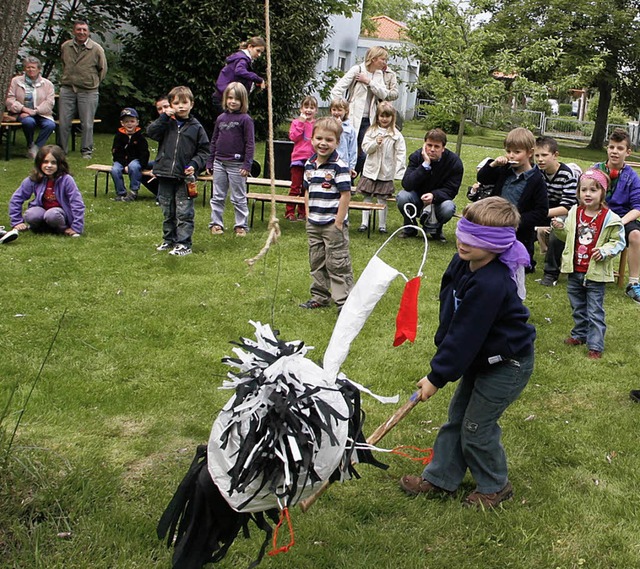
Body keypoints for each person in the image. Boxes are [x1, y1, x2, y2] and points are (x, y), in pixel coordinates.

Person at [399, 196, 535, 509]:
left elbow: (468, 333)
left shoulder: (492, 283)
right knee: (456, 418)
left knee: (476, 426)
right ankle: (441, 477)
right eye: (463, 232)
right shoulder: (463, 261)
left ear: (497, 244)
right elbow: (452, 304)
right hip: (481, 356)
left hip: (507, 362)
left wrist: (438, 375)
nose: (463, 242)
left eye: (475, 238)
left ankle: (495, 485)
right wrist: (443, 342)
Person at [554, 169, 625, 359]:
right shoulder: (574, 212)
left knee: (594, 310)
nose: (587, 194)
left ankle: (595, 345)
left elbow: (619, 242)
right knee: (577, 306)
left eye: (593, 190)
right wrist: (559, 229)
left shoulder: (610, 218)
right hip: (574, 270)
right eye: (583, 189)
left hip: (595, 273)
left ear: (603, 192)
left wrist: (604, 251)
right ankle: (579, 334)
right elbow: (567, 237)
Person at [146, 86, 209, 256]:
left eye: (184, 102)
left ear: (192, 104)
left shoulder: (196, 127)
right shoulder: (166, 124)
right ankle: (169, 240)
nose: (180, 106)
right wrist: (164, 117)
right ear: (170, 105)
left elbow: (204, 151)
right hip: (165, 174)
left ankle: (184, 244)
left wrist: (195, 165)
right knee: (167, 210)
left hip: (184, 177)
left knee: (184, 211)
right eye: (176, 103)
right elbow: (151, 132)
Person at [299, 117, 353, 312]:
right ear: (312, 139)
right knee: (316, 260)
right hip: (314, 222)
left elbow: (345, 194)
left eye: (329, 140)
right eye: (319, 138)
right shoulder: (309, 164)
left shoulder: (339, 166)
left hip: (332, 223)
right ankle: (320, 296)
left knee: (337, 262)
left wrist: (338, 222)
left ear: (337, 142)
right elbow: (307, 191)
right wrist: (308, 215)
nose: (323, 143)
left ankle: (344, 301)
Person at [477, 127, 548, 271]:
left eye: (517, 152)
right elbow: (483, 178)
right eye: (508, 151)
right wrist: (493, 164)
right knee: (489, 260)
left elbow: (541, 211)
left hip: (518, 231)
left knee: (513, 264)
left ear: (530, 153)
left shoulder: (536, 179)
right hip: (494, 223)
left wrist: (516, 220)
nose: (511, 156)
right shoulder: (504, 170)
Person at [330, 46, 398, 173]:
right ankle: (345, 177)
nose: (385, 63)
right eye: (383, 59)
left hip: (370, 118)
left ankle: (359, 177)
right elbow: (337, 90)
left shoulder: (378, 74)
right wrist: (341, 109)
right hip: (352, 117)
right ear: (373, 59)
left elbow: (383, 94)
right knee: (348, 149)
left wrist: (368, 81)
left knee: (364, 151)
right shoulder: (357, 69)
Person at [592, 128, 640, 304]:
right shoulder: (595, 170)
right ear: (607, 148)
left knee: (636, 235)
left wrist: (619, 222)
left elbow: (637, 208)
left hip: (622, 218)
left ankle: (633, 284)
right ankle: (579, 272)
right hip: (596, 215)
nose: (614, 151)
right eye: (611, 147)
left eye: (619, 148)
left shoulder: (632, 177)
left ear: (628, 152)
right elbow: (584, 198)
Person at [396, 128, 463, 241]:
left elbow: (452, 190)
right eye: (429, 145)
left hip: (438, 202)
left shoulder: (454, 162)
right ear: (424, 145)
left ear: (443, 148)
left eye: (436, 146)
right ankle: (409, 228)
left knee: (449, 207)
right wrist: (425, 165)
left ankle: (435, 230)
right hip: (417, 198)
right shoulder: (416, 157)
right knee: (402, 196)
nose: (432, 150)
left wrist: (434, 196)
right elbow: (407, 184)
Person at [206, 82, 254, 237]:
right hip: (219, 162)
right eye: (230, 98)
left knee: (238, 197)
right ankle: (216, 223)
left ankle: (241, 225)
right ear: (225, 99)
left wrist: (247, 164)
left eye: (237, 99)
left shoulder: (245, 119)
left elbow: (250, 143)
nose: (233, 101)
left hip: (237, 164)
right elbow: (214, 140)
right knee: (218, 195)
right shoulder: (221, 118)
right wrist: (210, 160)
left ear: (243, 101)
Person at [9, 145, 85, 236]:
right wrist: (17, 221)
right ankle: (41, 228)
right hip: (42, 211)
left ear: (60, 164)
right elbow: (16, 198)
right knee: (31, 214)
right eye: (45, 162)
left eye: (53, 163)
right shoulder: (34, 178)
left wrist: (76, 227)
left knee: (52, 215)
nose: (49, 165)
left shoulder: (66, 180)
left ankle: (62, 229)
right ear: (39, 163)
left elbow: (77, 203)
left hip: (58, 214)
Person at [58, 20, 107, 159]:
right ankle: (61, 151)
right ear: (74, 31)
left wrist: (91, 82)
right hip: (67, 88)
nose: (81, 32)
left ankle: (86, 151)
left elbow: (102, 69)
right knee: (63, 122)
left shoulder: (96, 49)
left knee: (87, 123)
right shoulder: (66, 46)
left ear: (88, 32)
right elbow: (63, 64)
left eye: (84, 30)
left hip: (88, 90)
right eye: (79, 29)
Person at [534, 136, 579, 286]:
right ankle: (525, 262)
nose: (540, 159)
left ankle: (551, 273)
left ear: (555, 155)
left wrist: (541, 213)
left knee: (557, 232)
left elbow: (567, 206)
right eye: (537, 155)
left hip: (566, 212)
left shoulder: (567, 174)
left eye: (544, 155)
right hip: (544, 209)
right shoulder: (537, 172)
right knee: (521, 221)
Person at [355, 102, 406, 234]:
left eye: (387, 116)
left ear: (392, 117)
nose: (384, 119)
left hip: (385, 171)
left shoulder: (396, 135)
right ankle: (364, 223)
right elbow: (365, 148)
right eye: (382, 116)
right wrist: (375, 143)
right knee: (367, 197)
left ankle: (382, 225)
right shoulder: (371, 131)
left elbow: (401, 153)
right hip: (370, 171)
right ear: (377, 117)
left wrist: (399, 172)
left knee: (382, 198)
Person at [5, 56, 56, 158]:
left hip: (41, 113)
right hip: (21, 113)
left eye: (33, 67)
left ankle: (36, 148)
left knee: (50, 125)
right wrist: (23, 109)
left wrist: (35, 111)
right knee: (29, 122)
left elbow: (49, 102)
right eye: (28, 67)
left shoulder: (47, 84)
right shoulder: (16, 81)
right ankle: (30, 143)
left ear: (38, 69)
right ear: (24, 69)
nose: (30, 70)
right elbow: (10, 99)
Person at [212, 37, 266, 120]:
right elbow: (240, 71)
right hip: (224, 97)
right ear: (250, 47)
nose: (259, 55)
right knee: (230, 125)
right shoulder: (242, 59)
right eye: (258, 51)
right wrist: (258, 79)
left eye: (261, 52)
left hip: (226, 96)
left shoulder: (241, 58)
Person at [286, 96, 318, 222]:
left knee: (307, 187)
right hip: (298, 159)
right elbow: (293, 137)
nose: (308, 110)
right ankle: (289, 211)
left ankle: (302, 211)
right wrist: (300, 122)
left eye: (312, 107)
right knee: (295, 186)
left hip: (312, 160)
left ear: (316, 110)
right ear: (301, 108)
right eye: (306, 107)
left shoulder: (316, 125)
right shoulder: (296, 122)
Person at [111, 107, 150, 202]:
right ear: (122, 123)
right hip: (121, 161)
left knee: (134, 166)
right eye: (126, 121)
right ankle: (121, 193)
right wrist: (124, 164)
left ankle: (133, 191)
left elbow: (144, 153)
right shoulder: (118, 137)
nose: (129, 124)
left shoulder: (140, 137)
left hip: (136, 160)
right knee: (115, 170)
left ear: (137, 122)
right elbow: (116, 152)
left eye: (132, 121)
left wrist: (142, 165)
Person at [329, 98, 357, 180]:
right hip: (329, 160)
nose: (336, 113)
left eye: (339, 110)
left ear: (346, 111)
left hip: (343, 162)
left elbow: (353, 149)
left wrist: (352, 167)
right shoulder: (327, 125)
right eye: (334, 110)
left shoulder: (350, 129)